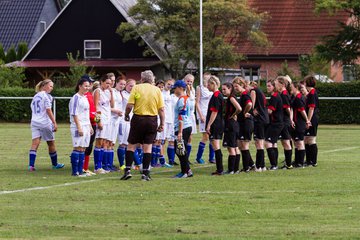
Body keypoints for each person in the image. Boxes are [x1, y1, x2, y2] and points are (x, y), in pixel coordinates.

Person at [120, 70, 165, 181]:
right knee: (147, 147)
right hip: (152, 119)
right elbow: (162, 109)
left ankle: (128, 170)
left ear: (142, 78)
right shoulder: (157, 90)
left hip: (138, 118)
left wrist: (126, 115)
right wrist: (162, 123)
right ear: (152, 79)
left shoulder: (137, 88)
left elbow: (129, 105)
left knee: (131, 145)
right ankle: (145, 173)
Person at [28, 79, 65, 171]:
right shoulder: (46, 96)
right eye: (50, 86)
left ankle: (31, 166)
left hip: (35, 122)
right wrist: (54, 122)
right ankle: (55, 164)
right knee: (51, 142)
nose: (51, 88)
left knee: (35, 143)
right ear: (43, 86)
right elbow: (48, 110)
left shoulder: (36, 96)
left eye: (52, 86)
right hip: (45, 122)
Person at [69, 78, 94, 177]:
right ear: (80, 86)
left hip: (86, 125)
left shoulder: (85, 97)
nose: (87, 88)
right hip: (78, 126)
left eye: (88, 86)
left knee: (83, 148)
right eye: (85, 86)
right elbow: (74, 114)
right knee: (78, 147)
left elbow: (86, 113)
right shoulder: (76, 98)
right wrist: (79, 127)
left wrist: (90, 126)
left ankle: (81, 170)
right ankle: (75, 172)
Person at [117, 79, 142, 170]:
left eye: (133, 86)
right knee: (123, 143)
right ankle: (122, 164)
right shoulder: (122, 94)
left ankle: (136, 163)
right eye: (130, 85)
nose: (132, 87)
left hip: (133, 121)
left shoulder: (135, 94)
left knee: (132, 143)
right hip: (124, 121)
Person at [93, 74, 114, 174]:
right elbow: (96, 106)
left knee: (104, 143)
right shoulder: (98, 91)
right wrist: (98, 121)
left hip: (108, 119)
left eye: (110, 83)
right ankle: (97, 167)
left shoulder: (108, 91)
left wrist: (111, 93)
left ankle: (101, 166)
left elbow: (112, 105)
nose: (109, 85)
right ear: (101, 82)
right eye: (107, 83)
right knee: (99, 142)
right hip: (101, 119)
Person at [173, 80, 194, 178]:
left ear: (180, 88)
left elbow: (181, 116)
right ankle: (187, 170)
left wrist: (180, 132)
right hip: (185, 126)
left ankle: (185, 171)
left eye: (175, 87)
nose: (174, 89)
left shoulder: (182, 99)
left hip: (183, 127)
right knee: (179, 149)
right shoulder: (185, 98)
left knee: (180, 149)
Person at [233, 77, 254, 173]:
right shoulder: (242, 94)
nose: (235, 88)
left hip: (247, 123)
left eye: (236, 86)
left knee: (244, 145)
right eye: (234, 86)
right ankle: (251, 164)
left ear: (241, 85)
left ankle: (246, 168)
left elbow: (249, 104)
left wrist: (245, 112)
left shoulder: (245, 94)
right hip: (243, 123)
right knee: (241, 145)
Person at [206, 76, 224, 175]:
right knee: (214, 145)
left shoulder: (216, 96)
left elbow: (214, 112)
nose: (207, 86)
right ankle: (219, 168)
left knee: (216, 146)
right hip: (217, 123)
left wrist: (209, 125)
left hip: (216, 124)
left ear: (213, 84)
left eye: (209, 84)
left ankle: (220, 169)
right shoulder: (216, 95)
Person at [195, 72, 215, 164]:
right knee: (205, 136)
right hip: (203, 113)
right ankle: (199, 157)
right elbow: (197, 102)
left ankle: (212, 157)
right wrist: (201, 115)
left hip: (210, 113)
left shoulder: (211, 88)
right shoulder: (200, 88)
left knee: (212, 135)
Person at [221, 82, 241, 174]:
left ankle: (231, 169)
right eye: (222, 89)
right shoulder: (232, 97)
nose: (223, 91)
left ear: (230, 89)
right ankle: (235, 169)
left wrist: (233, 115)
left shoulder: (231, 98)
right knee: (235, 147)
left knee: (231, 148)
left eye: (225, 89)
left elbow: (239, 108)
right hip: (234, 125)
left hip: (231, 125)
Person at [249, 81, 269, 172]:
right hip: (264, 118)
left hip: (259, 119)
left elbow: (251, 105)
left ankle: (259, 166)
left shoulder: (253, 90)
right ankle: (263, 166)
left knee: (259, 143)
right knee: (261, 142)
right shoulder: (260, 91)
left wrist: (251, 111)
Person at [290, 82, 311, 167]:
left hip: (300, 123)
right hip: (296, 122)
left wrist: (307, 120)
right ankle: (297, 161)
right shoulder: (296, 97)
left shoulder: (299, 98)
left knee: (300, 142)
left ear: (296, 88)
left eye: (291, 87)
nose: (290, 88)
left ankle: (300, 163)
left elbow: (302, 110)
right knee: (296, 142)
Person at [265, 79, 284, 170]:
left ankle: (274, 165)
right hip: (277, 123)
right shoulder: (276, 96)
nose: (267, 87)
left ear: (274, 87)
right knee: (273, 143)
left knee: (268, 143)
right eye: (267, 85)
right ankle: (274, 164)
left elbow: (270, 111)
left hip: (275, 123)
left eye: (269, 86)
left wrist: (260, 110)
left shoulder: (275, 97)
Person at [275, 76, 293, 169]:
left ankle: (289, 164)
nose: (275, 85)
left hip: (285, 122)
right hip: (283, 121)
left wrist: (290, 119)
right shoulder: (282, 93)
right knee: (284, 142)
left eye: (276, 83)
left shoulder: (284, 94)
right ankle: (288, 163)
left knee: (286, 142)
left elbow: (287, 108)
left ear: (282, 84)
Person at [82, 75, 97, 176]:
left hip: (93, 123)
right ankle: (83, 167)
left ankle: (85, 167)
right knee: (85, 146)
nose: (90, 85)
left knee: (89, 146)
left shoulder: (90, 95)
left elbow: (95, 110)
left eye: (91, 83)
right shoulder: (84, 96)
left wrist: (97, 120)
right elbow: (89, 112)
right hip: (88, 123)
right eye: (89, 83)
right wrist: (96, 120)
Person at [304, 75, 319, 167]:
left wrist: (308, 120)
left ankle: (313, 161)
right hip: (310, 118)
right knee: (306, 139)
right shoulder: (310, 93)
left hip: (312, 119)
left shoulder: (312, 93)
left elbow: (311, 108)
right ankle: (308, 160)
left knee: (311, 139)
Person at [109, 75, 124, 171]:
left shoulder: (119, 93)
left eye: (124, 84)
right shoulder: (112, 92)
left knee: (112, 143)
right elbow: (108, 107)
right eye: (120, 83)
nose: (122, 86)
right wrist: (116, 111)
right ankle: (107, 164)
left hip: (117, 120)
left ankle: (109, 164)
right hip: (110, 119)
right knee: (108, 142)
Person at [184, 74, 197, 161]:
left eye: (191, 81)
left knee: (190, 137)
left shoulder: (193, 90)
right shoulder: (183, 90)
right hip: (185, 115)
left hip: (191, 115)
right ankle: (183, 157)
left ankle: (187, 158)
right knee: (184, 136)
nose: (189, 83)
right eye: (187, 81)